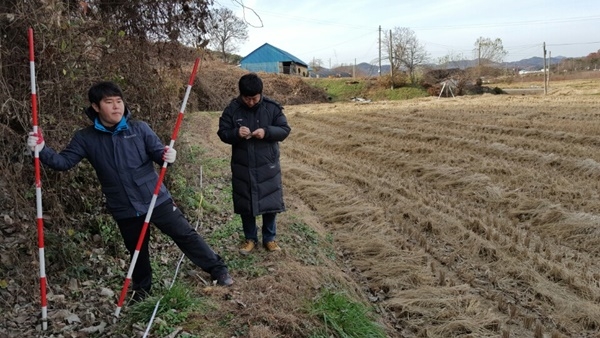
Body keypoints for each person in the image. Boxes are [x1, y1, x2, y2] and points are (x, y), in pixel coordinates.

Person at [27, 81, 233, 301]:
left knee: (185, 234)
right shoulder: (85, 138)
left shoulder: (139, 129)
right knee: (136, 251)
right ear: (96, 107)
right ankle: (142, 290)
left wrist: (168, 156)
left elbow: (158, 154)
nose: (116, 107)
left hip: (155, 198)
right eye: (109, 102)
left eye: (119, 101)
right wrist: (41, 150)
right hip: (123, 205)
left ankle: (217, 269)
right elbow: (63, 162)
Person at [217, 73, 291, 255]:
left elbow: (284, 130)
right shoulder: (232, 110)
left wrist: (266, 132)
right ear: (241, 94)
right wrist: (235, 133)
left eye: (254, 98)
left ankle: (270, 238)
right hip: (243, 164)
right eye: (247, 98)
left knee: (270, 202)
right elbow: (222, 132)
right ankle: (250, 238)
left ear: (261, 94)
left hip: (268, 165)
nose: (251, 102)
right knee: (246, 202)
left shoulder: (271, 108)